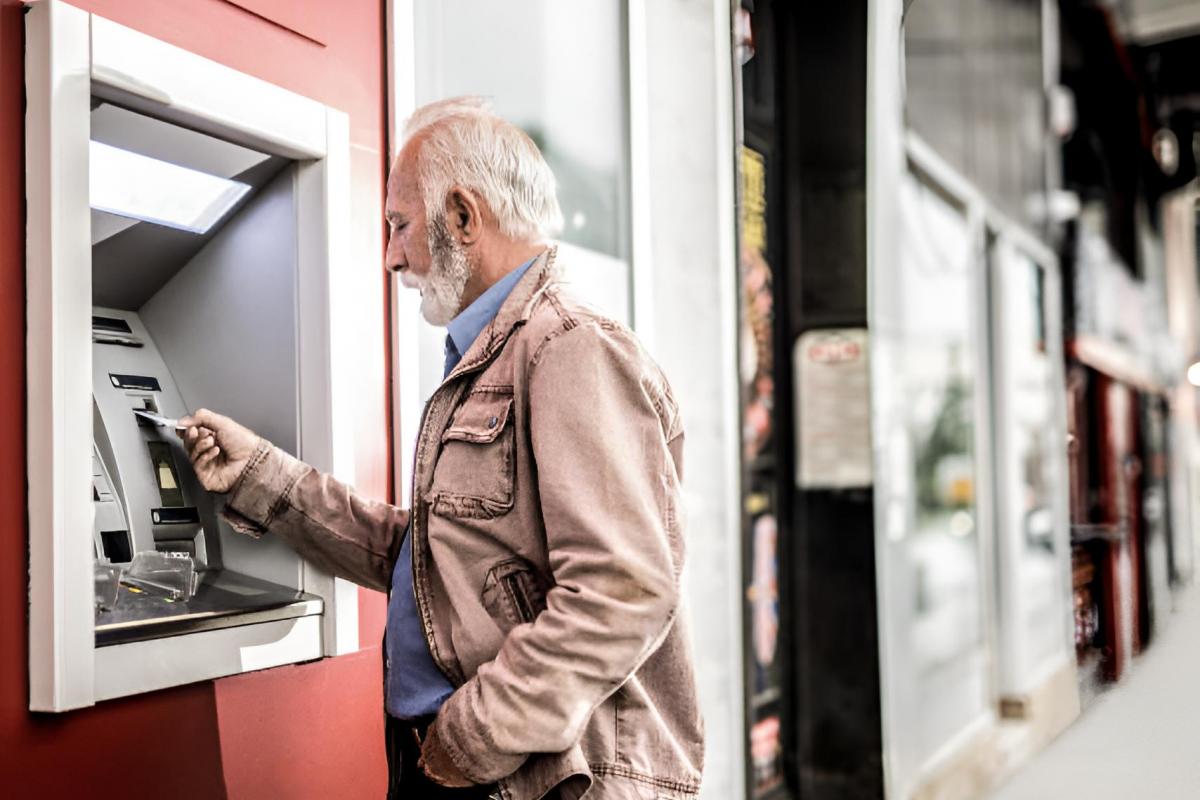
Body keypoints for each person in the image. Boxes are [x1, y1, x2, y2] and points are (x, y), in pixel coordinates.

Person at [180, 97, 704, 800]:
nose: (391, 255)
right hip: (470, 764)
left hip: (530, 777)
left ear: (462, 216)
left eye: (399, 224)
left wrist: (474, 737)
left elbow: (623, 591)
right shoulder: (492, 355)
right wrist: (258, 474)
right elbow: (429, 561)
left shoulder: (568, 349)